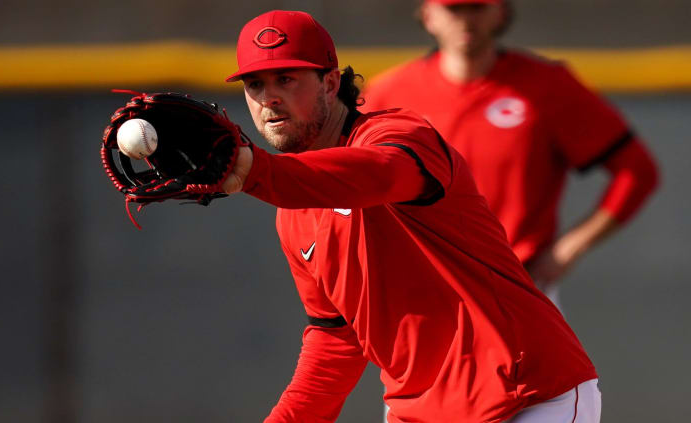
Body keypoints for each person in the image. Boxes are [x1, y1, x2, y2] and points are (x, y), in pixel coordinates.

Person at [222, 10, 601, 423]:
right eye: (255, 84)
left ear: (331, 84)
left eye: (287, 79)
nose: (268, 98)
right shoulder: (292, 207)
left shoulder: (399, 136)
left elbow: (376, 174)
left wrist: (253, 171)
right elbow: (337, 338)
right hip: (420, 411)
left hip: (526, 395)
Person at [361, 0, 660, 308]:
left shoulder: (546, 85)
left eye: (476, 8)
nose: (466, 20)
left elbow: (637, 170)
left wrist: (570, 247)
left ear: (500, 12)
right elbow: (346, 188)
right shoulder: (388, 94)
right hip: (420, 288)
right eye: (454, 9)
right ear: (428, 15)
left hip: (517, 285)